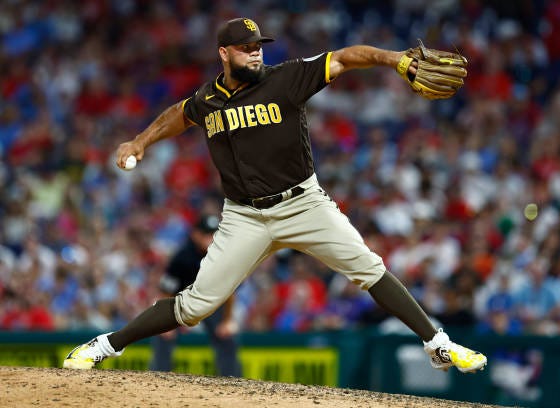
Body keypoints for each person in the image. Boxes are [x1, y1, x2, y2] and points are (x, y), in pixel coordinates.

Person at [63, 17, 487, 374]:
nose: (255, 53)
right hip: (244, 216)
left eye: (258, 46)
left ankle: (438, 344)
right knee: (195, 307)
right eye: (245, 47)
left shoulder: (286, 78)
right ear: (224, 54)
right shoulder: (208, 99)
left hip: (304, 204)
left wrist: (395, 60)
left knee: (368, 267)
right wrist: (140, 141)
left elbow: (343, 57)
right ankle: (105, 346)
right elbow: (180, 114)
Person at [149, 214, 241, 377]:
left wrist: (227, 321)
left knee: (227, 336)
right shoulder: (182, 257)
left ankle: (233, 381)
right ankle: (157, 378)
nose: (210, 238)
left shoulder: (222, 256)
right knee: (162, 332)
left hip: (210, 303)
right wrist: (163, 323)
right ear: (195, 234)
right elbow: (166, 290)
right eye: (206, 234)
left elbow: (230, 293)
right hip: (181, 302)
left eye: (214, 234)